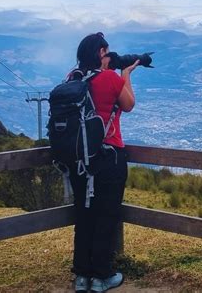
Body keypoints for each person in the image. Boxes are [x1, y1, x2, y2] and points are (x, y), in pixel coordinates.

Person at [67, 32, 138, 292]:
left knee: (84, 215)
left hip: (78, 161)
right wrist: (126, 74)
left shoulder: (72, 78)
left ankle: (82, 276)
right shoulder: (109, 78)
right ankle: (102, 276)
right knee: (106, 215)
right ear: (101, 53)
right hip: (108, 157)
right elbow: (129, 104)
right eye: (107, 51)